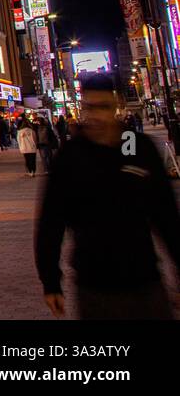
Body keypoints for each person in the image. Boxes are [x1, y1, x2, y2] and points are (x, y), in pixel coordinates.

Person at [36, 75, 180, 319]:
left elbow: (165, 214)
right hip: (94, 285)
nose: (96, 116)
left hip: (145, 279)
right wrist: (50, 282)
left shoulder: (138, 146)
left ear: (116, 105)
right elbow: (51, 222)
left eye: (103, 107)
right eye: (89, 107)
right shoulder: (72, 156)